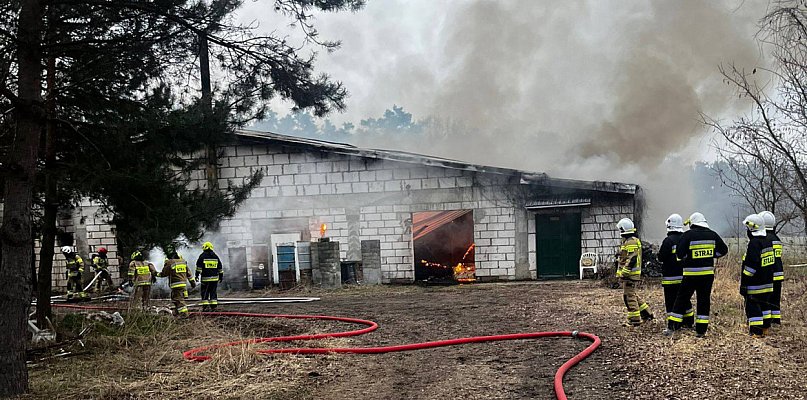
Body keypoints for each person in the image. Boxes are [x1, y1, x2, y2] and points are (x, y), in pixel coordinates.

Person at [665, 212, 728, 337]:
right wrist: (712, 255)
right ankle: (701, 330)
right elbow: (724, 250)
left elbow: (680, 254)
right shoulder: (713, 235)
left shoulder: (688, 235)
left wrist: (687, 257)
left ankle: (673, 327)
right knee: (704, 300)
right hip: (707, 275)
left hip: (691, 274)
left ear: (692, 223)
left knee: (681, 299)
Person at [740, 214, 775, 337]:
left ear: (751, 229)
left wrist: (744, 283)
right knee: (765, 306)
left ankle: (756, 332)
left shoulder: (754, 244)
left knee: (753, 307)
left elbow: (751, 267)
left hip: (755, 285)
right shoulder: (768, 241)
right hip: (768, 283)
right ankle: (765, 328)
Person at [657, 214, 694, 329]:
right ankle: (688, 322)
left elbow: (661, 257)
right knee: (685, 300)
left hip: (670, 279)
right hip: (685, 277)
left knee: (671, 301)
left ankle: (673, 324)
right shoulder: (686, 239)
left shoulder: (668, 241)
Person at [616, 218, 653, 326]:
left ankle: (634, 320)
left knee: (629, 297)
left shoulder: (631, 241)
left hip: (630, 275)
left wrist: (624, 273)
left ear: (623, 230)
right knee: (632, 294)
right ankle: (647, 314)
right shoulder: (630, 240)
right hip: (631, 274)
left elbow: (632, 259)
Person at [759, 211, 784, 327]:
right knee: (775, 298)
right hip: (778, 273)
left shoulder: (764, 239)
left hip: (768, 274)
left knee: (766, 298)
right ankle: (776, 320)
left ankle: (767, 322)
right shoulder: (776, 238)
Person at [159, 246, 196, 317]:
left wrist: (156, 273)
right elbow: (189, 274)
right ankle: (177, 312)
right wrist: (193, 283)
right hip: (183, 284)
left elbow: (164, 273)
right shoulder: (183, 262)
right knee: (176, 299)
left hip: (175, 284)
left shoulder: (170, 262)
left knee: (179, 300)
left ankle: (184, 314)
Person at [196, 242, 223, 312]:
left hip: (205, 279)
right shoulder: (215, 256)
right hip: (214, 279)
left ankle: (205, 307)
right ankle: (214, 307)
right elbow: (220, 268)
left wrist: (196, 275)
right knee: (213, 292)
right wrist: (221, 277)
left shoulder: (202, 256)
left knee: (205, 292)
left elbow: (198, 268)